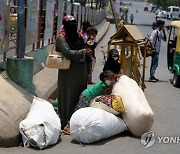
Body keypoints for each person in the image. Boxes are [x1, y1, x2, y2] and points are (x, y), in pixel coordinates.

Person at [56, 15, 92, 130]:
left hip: (81, 72)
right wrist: (82, 52)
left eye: (75, 24)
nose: (73, 27)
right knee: (68, 96)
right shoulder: (61, 38)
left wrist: (87, 52)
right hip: (69, 72)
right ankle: (65, 121)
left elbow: (83, 47)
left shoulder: (79, 37)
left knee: (79, 96)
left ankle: (77, 122)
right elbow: (67, 52)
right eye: (71, 25)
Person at [63, 70, 120, 135]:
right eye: (110, 79)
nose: (112, 80)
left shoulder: (104, 84)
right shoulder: (103, 86)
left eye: (113, 79)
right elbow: (107, 94)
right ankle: (68, 127)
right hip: (86, 97)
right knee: (79, 111)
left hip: (86, 96)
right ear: (105, 79)